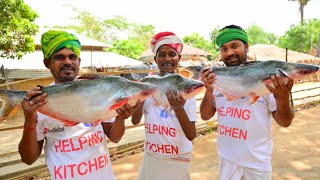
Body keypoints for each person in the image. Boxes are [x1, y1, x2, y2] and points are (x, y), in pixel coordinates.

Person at [18, 30, 140, 180]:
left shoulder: (98, 90)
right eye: (59, 57)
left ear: (79, 62)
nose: (68, 62)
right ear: (47, 62)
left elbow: (114, 138)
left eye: (72, 57)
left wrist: (120, 119)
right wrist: (30, 119)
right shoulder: (39, 102)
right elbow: (28, 159)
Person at [200, 24, 295, 180]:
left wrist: (283, 98)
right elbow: (205, 115)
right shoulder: (218, 79)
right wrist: (209, 89)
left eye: (235, 46)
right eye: (224, 49)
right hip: (227, 161)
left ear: (246, 46)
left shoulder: (268, 77)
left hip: (257, 164)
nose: (229, 52)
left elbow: (285, 122)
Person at [131, 31, 197, 180]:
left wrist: (178, 108)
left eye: (172, 54)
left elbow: (191, 135)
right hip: (152, 156)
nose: (167, 58)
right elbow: (135, 121)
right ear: (155, 59)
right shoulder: (148, 83)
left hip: (178, 157)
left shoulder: (185, 88)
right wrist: (142, 95)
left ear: (178, 58)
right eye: (162, 55)